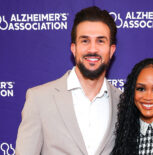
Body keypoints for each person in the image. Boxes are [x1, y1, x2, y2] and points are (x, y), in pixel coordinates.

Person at [16, 6, 121, 155]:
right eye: (85, 41)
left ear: (111, 50)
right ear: (74, 48)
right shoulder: (39, 99)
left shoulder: (123, 102)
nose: (92, 49)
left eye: (100, 41)